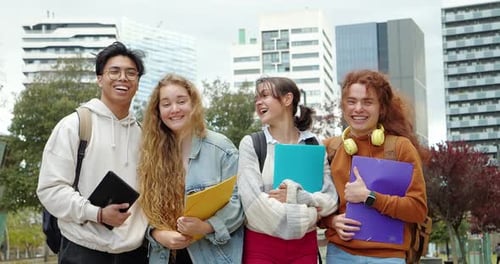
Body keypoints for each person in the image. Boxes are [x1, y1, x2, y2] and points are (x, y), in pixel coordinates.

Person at [37, 41, 148, 263]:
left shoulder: (144, 134)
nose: (123, 78)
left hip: (135, 253)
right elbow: (50, 189)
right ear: (99, 78)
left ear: (137, 82)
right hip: (83, 249)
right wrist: (96, 213)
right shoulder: (75, 125)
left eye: (131, 73)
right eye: (114, 71)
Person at [320, 69, 428, 263]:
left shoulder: (400, 147)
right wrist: (331, 221)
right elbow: (316, 205)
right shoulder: (329, 149)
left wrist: (369, 197)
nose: (358, 108)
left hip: (388, 257)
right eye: (351, 101)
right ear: (343, 106)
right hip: (340, 255)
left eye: (368, 102)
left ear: (382, 108)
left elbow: (418, 210)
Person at [138, 73, 244, 264]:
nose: (175, 109)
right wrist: (157, 233)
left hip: (212, 256)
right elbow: (142, 208)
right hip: (163, 256)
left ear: (193, 104)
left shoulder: (221, 148)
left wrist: (206, 226)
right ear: (158, 111)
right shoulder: (150, 155)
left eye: (181, 101)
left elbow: (239, 202)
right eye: (166, 104)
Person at [237, 76, 338, 263]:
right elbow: (253, 205)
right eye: (256, 98)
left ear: (287, 99)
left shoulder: (313, 145)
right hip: (261, 246)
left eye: (265, 95)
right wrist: (310, 212)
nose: (258, 102)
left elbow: (330, 200)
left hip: (305, 247)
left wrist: (296, 197)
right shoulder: (252, 144)